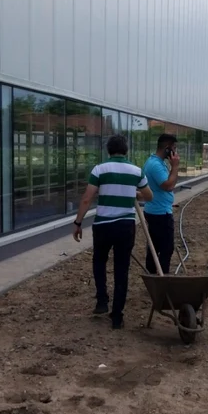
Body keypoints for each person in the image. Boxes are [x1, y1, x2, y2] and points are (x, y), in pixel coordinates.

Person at [73, 135, 153, 329]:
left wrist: (78, 222)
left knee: (99, 261)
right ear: (126, 150)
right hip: (126, 226)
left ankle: (102, 300)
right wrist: (134, 192)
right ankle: (117, 316)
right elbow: (149, 196)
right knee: (121, 269)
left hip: (103, 226)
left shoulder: (100, 169)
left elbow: (87, 198)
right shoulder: (136, 171)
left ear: (108, 150)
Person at [142, 133, 180, 274]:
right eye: (174, 148)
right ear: (167, 148)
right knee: (166, 248)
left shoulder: (157, 163)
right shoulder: (155, 165)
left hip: (157, 209)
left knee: (155, 245)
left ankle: (152, 273)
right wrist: (175, 167)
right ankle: (162, 276)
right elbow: (168, 185)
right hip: (159, 213)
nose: (175, 152)